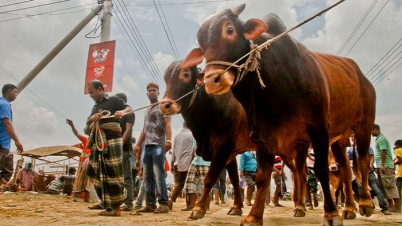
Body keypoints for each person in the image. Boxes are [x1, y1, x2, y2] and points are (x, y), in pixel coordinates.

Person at [85, 80, 132, 217]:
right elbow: (87, 124)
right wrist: (92, 119)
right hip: (98, 141)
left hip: (113, 139)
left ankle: (115, 208)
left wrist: (121, 112)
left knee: (113, 173)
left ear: (100, 89)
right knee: (92, 170)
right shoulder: (95, 108)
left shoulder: (113, 100)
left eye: (92, 92)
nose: (91, 95)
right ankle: (108, 204)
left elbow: (128, 108)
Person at [134, 82, 172, 214]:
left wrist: (168, 140)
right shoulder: (146, 110)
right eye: (149, 90)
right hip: (147, 147)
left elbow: (167, 124)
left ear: (158, 92)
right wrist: (138, 144)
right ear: (146, 93)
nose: (151, 92)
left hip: (158, 146)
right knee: (147, 176)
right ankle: (150, 204)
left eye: (154, 90)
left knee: (158, 174)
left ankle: (163, 203)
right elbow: (144, 130)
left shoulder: (163, 106)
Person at [347, 134, 391, 215]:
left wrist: (370, 165)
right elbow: (349, 160)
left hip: (368, 172)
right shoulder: (350, 150)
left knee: (376, 189)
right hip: (358, 173)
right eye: (351, 137)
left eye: (354, 136)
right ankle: (368, 205)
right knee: (360, 190)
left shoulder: (366, 146)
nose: (352, 138)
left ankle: (384, 208)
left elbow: (372, 157)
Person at [371, 124, 401, 212]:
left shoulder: (381, 139)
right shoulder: (379, 139)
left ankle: (397, 206)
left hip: (386, 165)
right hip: (381, 165)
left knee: (390, 185)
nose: (370, 133)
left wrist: (383, 165)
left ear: (375, 129)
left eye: (371, 130)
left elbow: (383, 151)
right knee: (384, 186)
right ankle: (390, 204)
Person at [115, 93, 136, 211]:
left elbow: (128, 130)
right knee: (113, 177)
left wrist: (119, 146)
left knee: (127, 177)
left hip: (124, 149)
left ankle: (128, 203)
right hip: (115, 149)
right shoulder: (115, 113)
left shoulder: (128, 112)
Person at [0, 84, 23, 185]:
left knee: (8, 171)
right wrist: (17, 141)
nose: (16, 94)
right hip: (1, 143)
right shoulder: (4, 104)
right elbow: (7, 123)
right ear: (9, 91)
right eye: (15, 92)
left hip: (5, 145)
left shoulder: (4, 104)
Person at [168, 122, 194, 210]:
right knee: (187, 184)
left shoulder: (177, 136)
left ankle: (172, 200)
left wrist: (172, 164)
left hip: (179, 164)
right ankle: (187, 204)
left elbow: (174, 151)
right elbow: (193, 151)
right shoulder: (192, 136)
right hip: (189, 163)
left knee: (181, 184)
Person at [66, 119, 92, 202]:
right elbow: (76, 134)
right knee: (79, 178)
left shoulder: (98, 142)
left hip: (91, 161)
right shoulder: (85, 140)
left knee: (89, 180)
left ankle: (86, 198)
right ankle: (73, 195)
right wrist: (72, 126)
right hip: (83, 160)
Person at [393, 139, 402, 207]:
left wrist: (393, 164)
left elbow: (400, 161)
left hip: (400, 173)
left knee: (398, 188)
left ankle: (398, 204)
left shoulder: (397, 150)